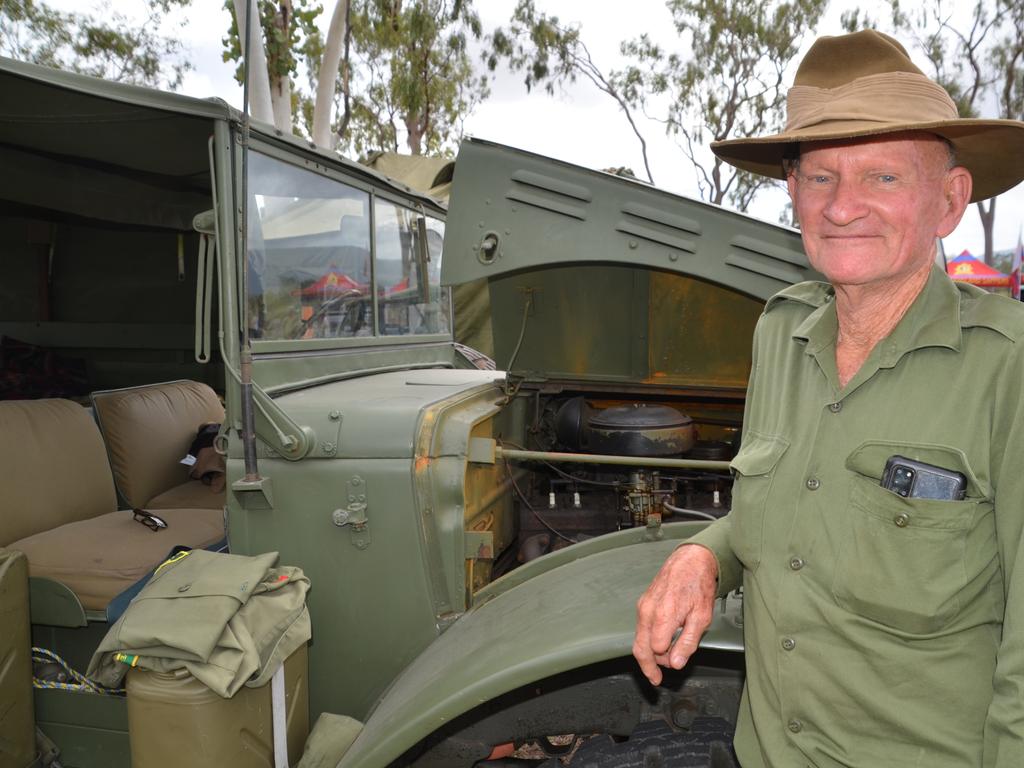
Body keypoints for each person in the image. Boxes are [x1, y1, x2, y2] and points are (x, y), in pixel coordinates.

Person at [633, 29, 1024, 767]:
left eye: (882, 177)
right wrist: (704, 554)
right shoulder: (780, 335)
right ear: (792, 193)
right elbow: (781, 512)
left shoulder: (1008, 369)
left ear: (950, 199)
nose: (843, 207)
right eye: (820, 178)